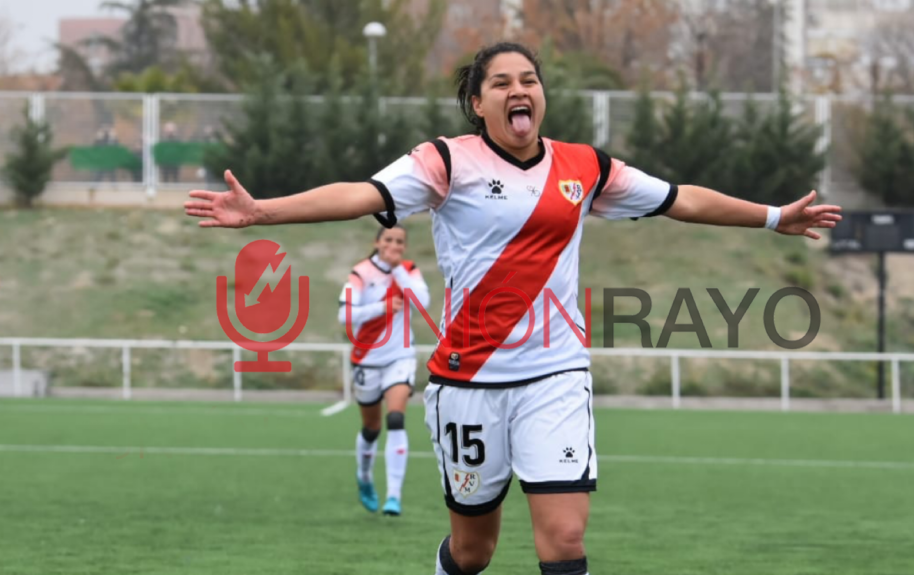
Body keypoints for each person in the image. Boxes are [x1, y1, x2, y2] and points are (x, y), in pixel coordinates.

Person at [183, 41, 842, 575]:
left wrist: (774, 216)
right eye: (500, 83)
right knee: (474, 552)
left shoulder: (585, 166)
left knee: (564, 539)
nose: (518, 90)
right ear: (477, 102)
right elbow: (361, 194)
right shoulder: (444, 162)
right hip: (467, 382)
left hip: (555, 376)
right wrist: (263, 211)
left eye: (528, 79)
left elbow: (681, 199)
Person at [338, 225, 429, 516]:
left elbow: (422, 302)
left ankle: (394, 495)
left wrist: (398, 271)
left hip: (400, 356)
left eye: (399, 241)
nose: (393, 245)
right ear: (376, 242)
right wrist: (382, 307)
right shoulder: (361, 273)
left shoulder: (409, 270)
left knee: (396, 418)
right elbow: (345, 315)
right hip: (366, 358)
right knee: (371, 428)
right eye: (388, 239)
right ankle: (364, 476)